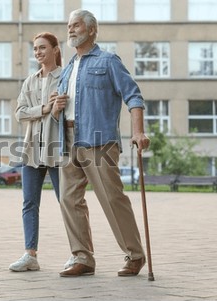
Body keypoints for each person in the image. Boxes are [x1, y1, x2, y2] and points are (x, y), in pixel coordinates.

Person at [53, 9, 150, 277]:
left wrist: (138, 132)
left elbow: (133, 96)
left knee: (112, 198)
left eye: (76, 25)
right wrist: (55, 106)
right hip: (68, 139)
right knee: (69, 199)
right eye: (68, 26)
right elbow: (61, 106)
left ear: (91, 29)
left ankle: (135, 254)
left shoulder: (108, 61)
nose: (70, 30)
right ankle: (82, 257)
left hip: (99, 141)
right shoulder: (69, 67)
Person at [9, 32, 62, 272]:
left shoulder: (65, 77)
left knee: (69, 203)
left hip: (58, 150)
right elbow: (19, 113)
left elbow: (69, 110)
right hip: (31, 150)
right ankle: (30, 255)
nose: (38, 52)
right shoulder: (30, 81)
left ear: (55, 49)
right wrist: (44, 108)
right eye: (35, 48)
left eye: (42, 47)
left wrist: (57, 107)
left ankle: (80, 253)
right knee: (29, 203)